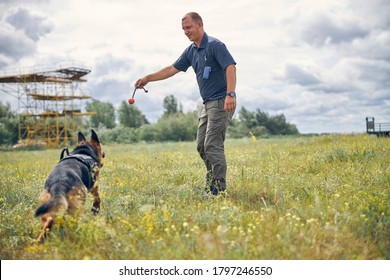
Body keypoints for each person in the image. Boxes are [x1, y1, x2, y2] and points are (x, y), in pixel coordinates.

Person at [135, 12, 237, 197]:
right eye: (183, 29)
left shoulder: (215, 45)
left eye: (189, 27)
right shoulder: (191, 51)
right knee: (201, 145)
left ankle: (219, 189)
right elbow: (171, 69)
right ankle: (212, 182)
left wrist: (231, 94)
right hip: (208, 104)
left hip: (222, 100)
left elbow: (230, 67)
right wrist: (148, 78)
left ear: (200, 25)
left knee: (212, 144)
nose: (186, 32)